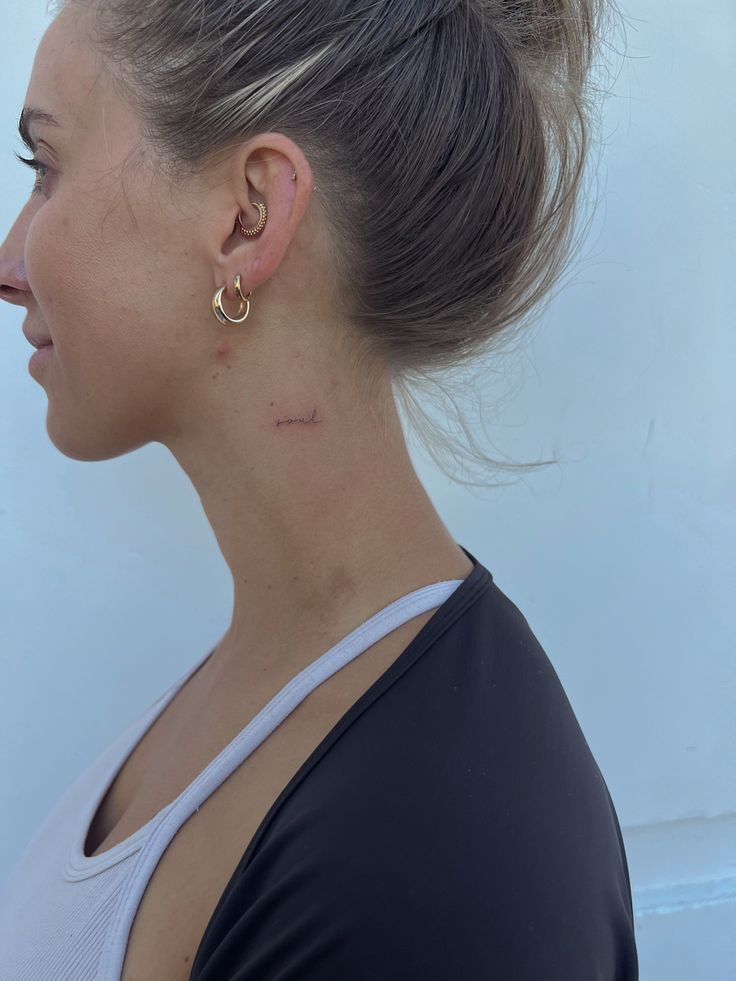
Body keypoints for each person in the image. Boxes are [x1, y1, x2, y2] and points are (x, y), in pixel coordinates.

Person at [0, 0, 638, 978]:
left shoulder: (438, 866)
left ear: (247, 215)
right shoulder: (279, 674)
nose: (10, 262)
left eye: (45, 169)